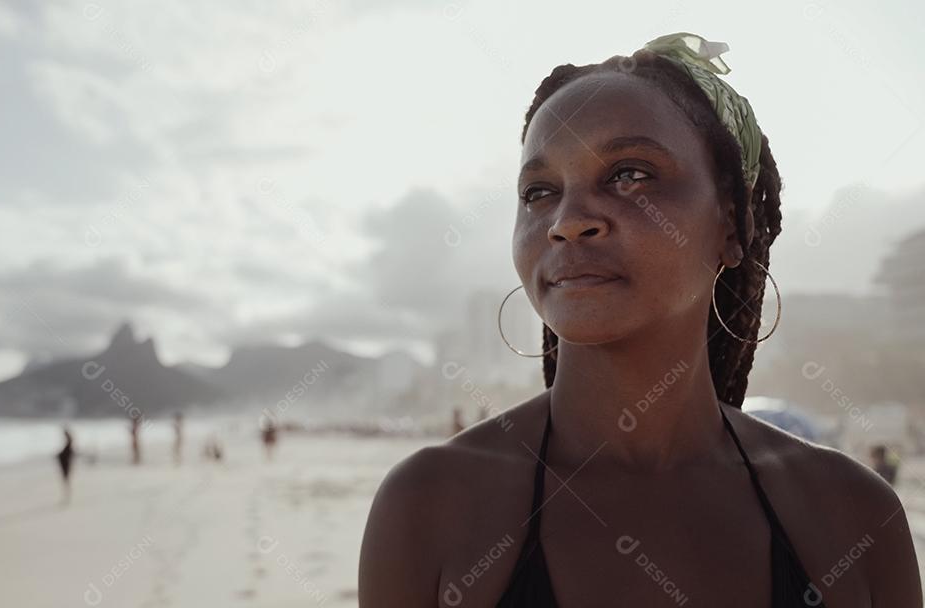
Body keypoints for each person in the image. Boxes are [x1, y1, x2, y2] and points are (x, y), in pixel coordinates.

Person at [359, 32, 921, 607]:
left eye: (629, 175)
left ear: (731, 224)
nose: (567, 221)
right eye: (539, 192)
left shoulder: (854, 518)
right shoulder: (430, 506)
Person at [56, 427, 74, 505]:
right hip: (65, 464)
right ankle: (66, 495)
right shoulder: (68, 444)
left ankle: (67, 496)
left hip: (66, 464)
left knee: (66, 480)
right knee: (66, 481)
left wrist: (60, 455)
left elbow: (67, 455)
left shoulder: (69, 444)